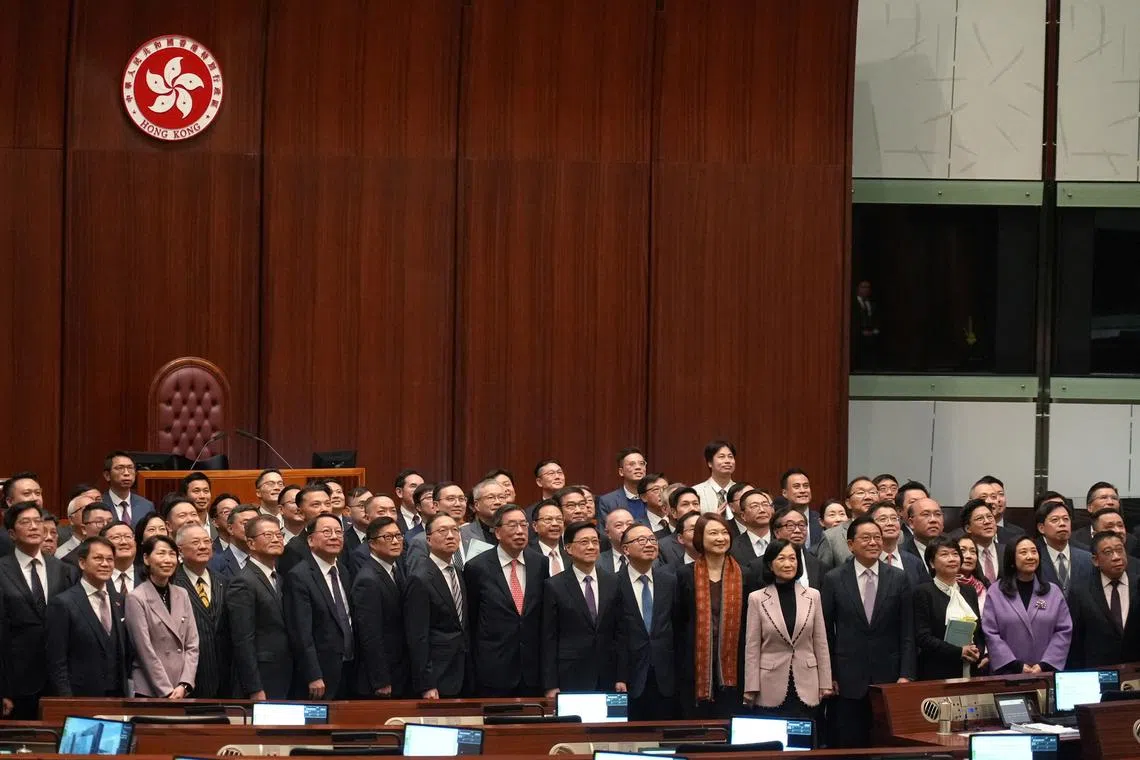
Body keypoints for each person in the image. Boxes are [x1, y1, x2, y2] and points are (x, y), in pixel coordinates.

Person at [821, 515, 915, 748]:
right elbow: (824, 632)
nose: (873, 542)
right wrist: (830, 674)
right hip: (847, 677)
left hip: (889, 676)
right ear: (851, 544)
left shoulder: (899, 578)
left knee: (885, 744)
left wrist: (907, 674)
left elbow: (907, 631)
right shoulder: (834, 578)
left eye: (877, 537)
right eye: (866, 538)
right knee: (850, 744)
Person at [0, 502, 78, 718]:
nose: (34, 527)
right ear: (12, 534)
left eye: (38, 521)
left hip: (60, 680)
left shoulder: (64, 571)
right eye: (25, 522)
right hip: (16, 683)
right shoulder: (2, 570)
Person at [744, 539, 831, 720]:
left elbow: (821, 643)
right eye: (781, 558)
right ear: (770, 564)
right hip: (769, 684)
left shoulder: (813, 596)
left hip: (807, 682)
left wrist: (825, 682)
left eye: (792, 558)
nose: (788, 564)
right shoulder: (757, 598)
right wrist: (750, 687)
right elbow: (752, 647)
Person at [465, 505, 547, 696]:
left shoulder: (540, 563)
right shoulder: (477, 567)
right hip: (493, 668)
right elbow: (473, 618)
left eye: (523, 525)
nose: (519, 531)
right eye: (512, 525)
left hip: (532, 669)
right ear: (498, 532)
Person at [675, 514, 749, 718]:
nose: (720, 538)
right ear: (700, 538)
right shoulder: (684, 574)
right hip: (695, 663)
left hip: (735, 663)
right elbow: (679, 622)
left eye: (725, 533)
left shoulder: (746, 574)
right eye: (713, 533)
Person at [541, 521, 627, 696]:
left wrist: (622, 676)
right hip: (570, 674)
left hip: (608, 674)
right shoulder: (554, 586)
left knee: (609, 723)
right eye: (584, 542)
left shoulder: (614, 582)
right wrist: (550, 684)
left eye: (595, 542)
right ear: (569, 548)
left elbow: (621, 632)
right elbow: (548, 639)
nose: (591, 547)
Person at [45, 537, 129, 697]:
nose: (105, 564)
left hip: (117, 695)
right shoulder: (63, 603)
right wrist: (66, 699)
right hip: (80, 696)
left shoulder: (119, 600)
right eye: (98, 558)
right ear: (82, 563)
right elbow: (56, 660)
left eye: (110, 559)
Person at [285, 514, 356, 699]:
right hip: (320, 673)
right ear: (310, 540)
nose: (334, 536)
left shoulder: (344, 571)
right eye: (326, 532)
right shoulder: (299, 576)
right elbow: (301, 632)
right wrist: (313, 675)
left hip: (348, 666)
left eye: (338, 532)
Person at [981, 536, 1071, 675]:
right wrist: (1015, 665)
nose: (1030, 557)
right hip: (1008, 674)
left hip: (1045, 673)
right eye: (1023, 552)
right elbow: (990, 632)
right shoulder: (996, 591)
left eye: (1034, 552)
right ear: (1012, 558)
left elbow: (1064, 630)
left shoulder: (1053, 591)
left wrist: (1045, 664)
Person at [617, 523, 679, 720]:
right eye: (641, 540)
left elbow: (677, 626)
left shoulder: (669, 581)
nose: (650, 544)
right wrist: (618, 675)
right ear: (625, 549)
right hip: (628, 678)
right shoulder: (612, 583)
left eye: (652, 539)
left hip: (665, 675)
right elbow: (611, 634)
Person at [125, 535, 199, 698]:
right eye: (161, 553)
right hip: (150, 689)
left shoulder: (182, 594)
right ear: (146, 558)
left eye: (172, 554)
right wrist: (167, 691)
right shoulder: (136, 597)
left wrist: (185, 684)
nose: (167, 560)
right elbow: (144, 650)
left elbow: (192, 644)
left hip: (181, 687)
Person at [227, 514, 292, 699]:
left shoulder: (278, 577)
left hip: (283, 673)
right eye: (268, 535)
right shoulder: (243, 582)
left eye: (279, 535)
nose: (275, 539)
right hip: (262, 677)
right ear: (251, 543)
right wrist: (254, 687)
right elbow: (242, 640)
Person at [405, 513, 469, 698]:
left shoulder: (458, 571)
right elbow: (418, 636)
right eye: (442, 531)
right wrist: (426, 684)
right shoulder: (420, 577)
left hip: (463, 669)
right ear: (429, 539)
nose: (450, 536)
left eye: (454, 530)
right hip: (437, 674)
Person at [913, 536, 986, 680]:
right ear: (932, 563)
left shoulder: (969, 590)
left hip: (969, 667)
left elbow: (978, 631)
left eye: (955, 554)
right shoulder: (923, 592)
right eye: (945, 554)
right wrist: (959, 651)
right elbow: (923, 637)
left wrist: (978, 651)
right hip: (937, 670)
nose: (952, 559)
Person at [351, 516, 409, 698]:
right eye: (388, 537)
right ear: (372, 544)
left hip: (400, 668)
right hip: (382, 675)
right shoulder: (368, 579)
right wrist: (381, 680)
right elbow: (370, 634)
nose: (395, 542)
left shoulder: (396, 569)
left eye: (398, 536)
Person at [1066, 531, 1140, 669]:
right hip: (1098, 671)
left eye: (1120, 550)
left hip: (1135, 670)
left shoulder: (1138, 584)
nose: (1116, 557)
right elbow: (1076, 641)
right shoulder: (1080, 592)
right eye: (1108, 552)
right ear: (1095, 560)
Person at [173, 524, 230, 698]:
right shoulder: (172, 583)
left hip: (225, 677)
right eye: (196, 542)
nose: (203, 546)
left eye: (207, 541)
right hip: (187, 678)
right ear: (180, 550)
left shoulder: (224, 581)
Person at [1034, 501, 1093, 597]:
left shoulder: (1087, 558)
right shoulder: (1036, 559)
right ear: (1041, 528)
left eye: (1066, 519)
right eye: (1055, 520)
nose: (1062, 523)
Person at [771, 507, 823, 589]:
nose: (797, 530)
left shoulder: (819, 565)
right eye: (790, 525)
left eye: (802, 525)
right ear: (777, 532)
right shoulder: (758, 566)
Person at [101, 452, 155, 527]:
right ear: (107, 475)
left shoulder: (146, 506)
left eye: (130, 468)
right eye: (120, 468)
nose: (126, 473)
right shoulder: (99, 503)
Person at [597, 448, 649, 523]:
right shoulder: (607, 501)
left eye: (642, 463)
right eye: (631, 464)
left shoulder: (654, 497)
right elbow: (604, 533)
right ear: (621, 472)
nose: (638, 467)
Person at [730, 490, 774, 571]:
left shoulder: (783, 541)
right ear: (743, 515)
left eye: (765, 505)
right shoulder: (733, 548)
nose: (762, 510)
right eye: (754, 506)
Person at [961, 499, 1002, 586]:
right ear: (968, 528)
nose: (987, 522)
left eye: (990, 517)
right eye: (979, 518)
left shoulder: (1007, 551)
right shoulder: (963, 555)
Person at [694, 440, 737, 516]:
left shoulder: (742, 492)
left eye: (730, 457)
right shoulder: (696, 492)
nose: (727, 461)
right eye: (721, 457)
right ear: (710, 463)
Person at [955, 535, 989, 612]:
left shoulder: (984, 585)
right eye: (962, 550)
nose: (969, 556)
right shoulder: (946, 586)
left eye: (973, 551)